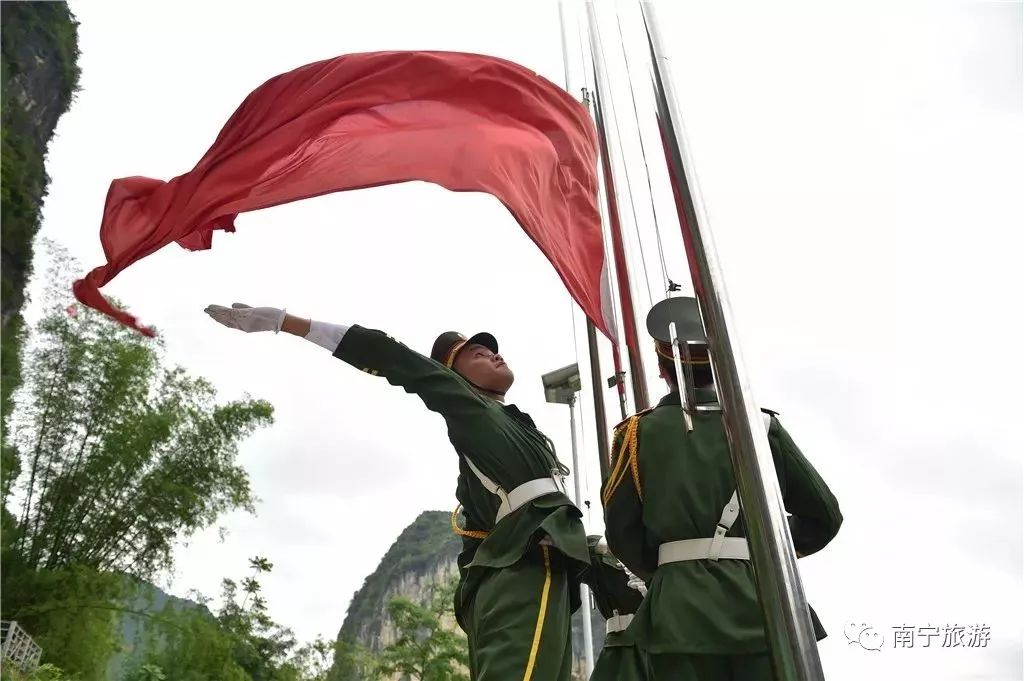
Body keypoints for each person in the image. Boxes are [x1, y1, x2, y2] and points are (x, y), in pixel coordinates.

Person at [204, 303, 590, 681]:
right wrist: (288, 322)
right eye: (479, 354)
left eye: (494, 351)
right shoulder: (467, 407)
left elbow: (489, 530)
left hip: (545, 563)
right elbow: (391, 356)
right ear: (452, 375)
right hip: (520, 573)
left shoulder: (518, 428)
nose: (495, 355)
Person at [601, 296, 843, 680]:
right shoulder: (762, 428)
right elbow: (825, 517)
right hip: (763, 601)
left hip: (678, 611)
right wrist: (760, 550)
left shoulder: (637, 434)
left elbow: (622, 534)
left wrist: (671, 570)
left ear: (664, 368)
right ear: (719, 363)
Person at [583, 535, 652, 681]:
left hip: (665, 648)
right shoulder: (603, 556)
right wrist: (598, 544)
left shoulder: (667, 552)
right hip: (621, 653)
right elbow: (568, 551)